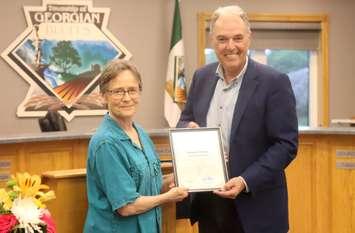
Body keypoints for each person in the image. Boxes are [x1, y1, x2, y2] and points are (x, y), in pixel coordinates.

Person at [177, 5, 298, 233]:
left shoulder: (274, 82)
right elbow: (185, 120)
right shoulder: (201, 77)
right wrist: (188, 129)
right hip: (210, 204)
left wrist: (244, 180)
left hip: (257, 205)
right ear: (213, 40)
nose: (230, 46)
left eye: (237, 38)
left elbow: (286, 144)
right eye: (222, 39)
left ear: (249, 39)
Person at [84, 59, 188, 233]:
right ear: (103, 96)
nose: (126, 98)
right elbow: (127, 206)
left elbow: (147, 185)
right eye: (118, 91)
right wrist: (168, 197)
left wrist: (175, 178)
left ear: (139, 92)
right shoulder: (106, 143)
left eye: (132, 90)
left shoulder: (140, 133)